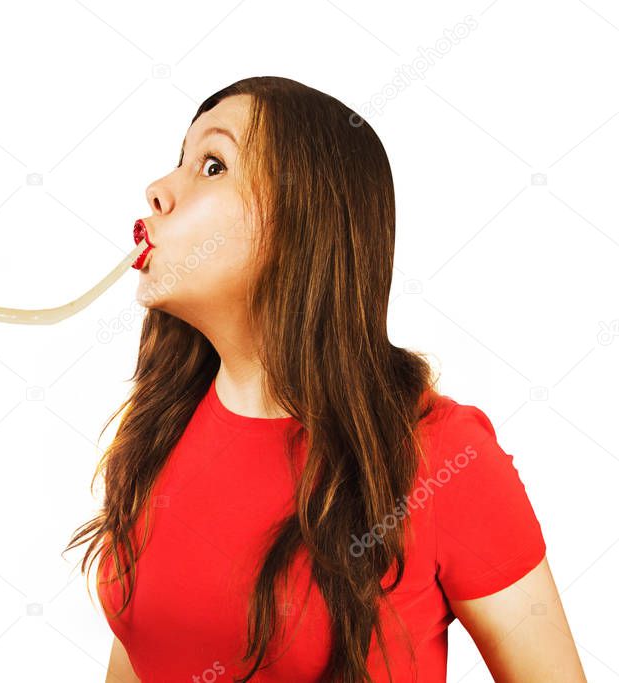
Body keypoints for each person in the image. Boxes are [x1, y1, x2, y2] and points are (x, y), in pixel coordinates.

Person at [64, 76, 584, 682]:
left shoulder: (445, 456)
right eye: (179, 160)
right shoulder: (161, 427)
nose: (157, 190)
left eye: (211, 165)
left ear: (301, 224)